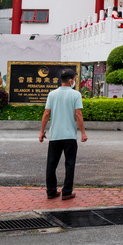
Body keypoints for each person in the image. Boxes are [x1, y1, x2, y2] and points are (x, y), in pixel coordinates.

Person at [39, 70, 87, 200]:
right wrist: (83, 133)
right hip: (70, 136)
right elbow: (78, 114)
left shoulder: (52, 94)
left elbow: (46, 113)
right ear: (71, 80)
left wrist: (42, 132)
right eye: (75, 79)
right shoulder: (76, 94)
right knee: (69, 164)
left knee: (51, 164)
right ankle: (66, 192)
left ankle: (51, 191)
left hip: (55, 135)